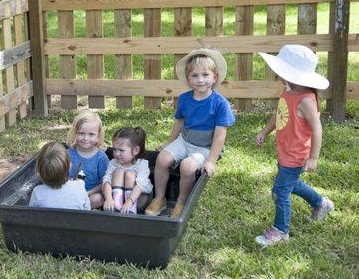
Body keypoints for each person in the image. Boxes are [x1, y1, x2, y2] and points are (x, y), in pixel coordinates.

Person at [254, 45, 334, 247]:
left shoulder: (306, 100)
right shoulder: (287, 92)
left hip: (296, 154)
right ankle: (321, 203)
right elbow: (279, 114)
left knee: (280, 191)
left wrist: (313, 158)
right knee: (292, 184)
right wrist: (265, 131)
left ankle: (281, 230)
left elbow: (317, 129)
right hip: (284, 151)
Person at [145, 48, 235, 218]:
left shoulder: (220, 104)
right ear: (188, 78)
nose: (200, 80)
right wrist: (169, 143)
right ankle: (159, 198)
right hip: (185, 141)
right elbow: (179, 122)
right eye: (194, 76)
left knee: (187, 166)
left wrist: (211, 161)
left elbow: (220, 135)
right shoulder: (185, 99)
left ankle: (181, 202)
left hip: (205, 147)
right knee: (162, 158)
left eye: (205, 75)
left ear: (214, 76)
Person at [102, 127, 152, 214]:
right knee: (118, 171)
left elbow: (140, 186)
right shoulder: (113, 163)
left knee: (130, 174)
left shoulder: (142, 164)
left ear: (136, 150)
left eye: (121, 150)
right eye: (114, 149)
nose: (117, 154)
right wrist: (109, 199)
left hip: (138, 200)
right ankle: (117, 205)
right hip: (118, 199)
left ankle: (130, 210)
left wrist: (129, 202)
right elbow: (106, 181)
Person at [29, 141, 91, 210]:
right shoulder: (80, 187)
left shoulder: (37, 192)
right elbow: (87, 210)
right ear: (70, 166)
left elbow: (32, 214)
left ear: (38, 170)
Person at [66, 110, 110, 209]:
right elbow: (63, 176)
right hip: (71, 192)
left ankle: (78, 209)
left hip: (91, 193)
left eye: (91, 134)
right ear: (75, 133)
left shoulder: (101, 157)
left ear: (98, 136)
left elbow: (105, 181)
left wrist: (86, 193)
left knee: (98, 199)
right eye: (81, 133)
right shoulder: (68, 153)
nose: (86, 138)